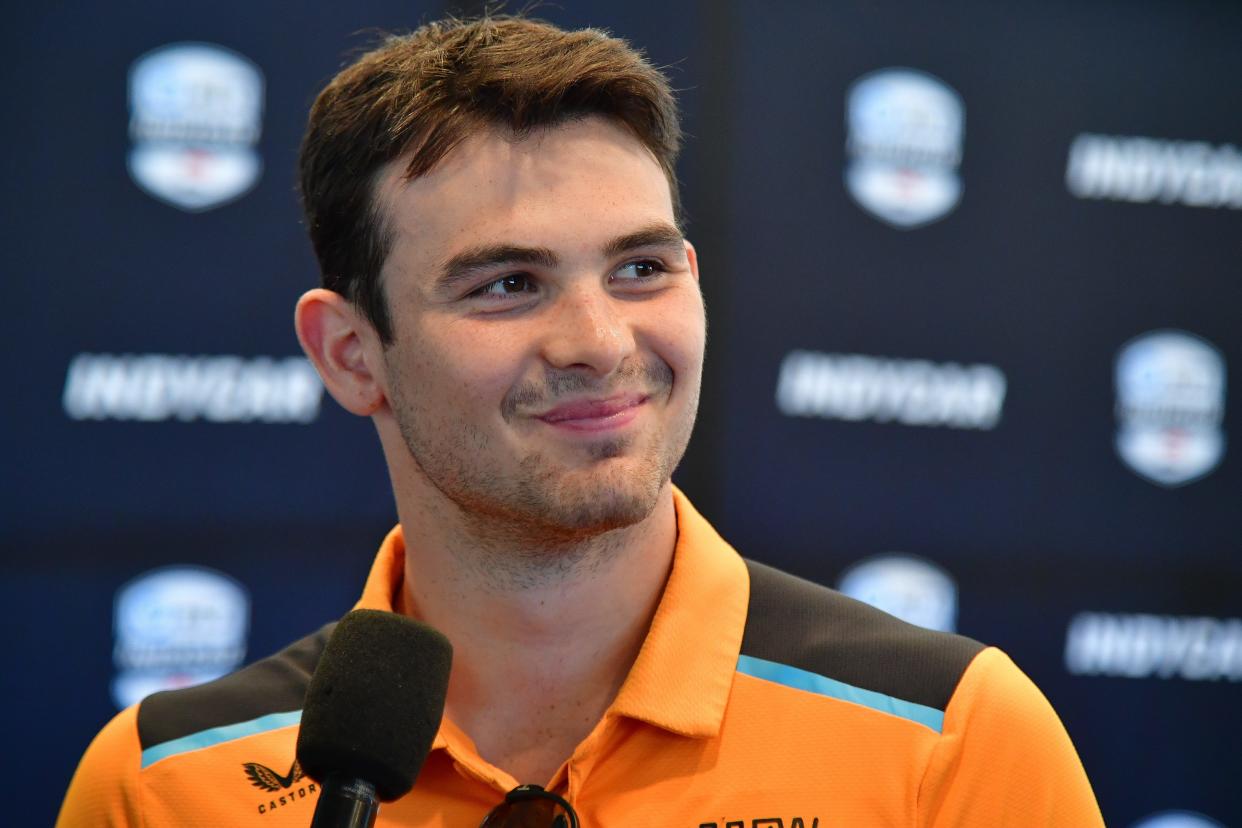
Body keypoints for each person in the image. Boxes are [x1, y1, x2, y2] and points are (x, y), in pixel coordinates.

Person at [58, 15, 1104, 826]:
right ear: (350, 353)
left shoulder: (951, 741)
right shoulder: (160, 786)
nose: (600, 341)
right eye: (508, 284)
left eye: (640, 269)